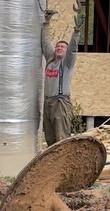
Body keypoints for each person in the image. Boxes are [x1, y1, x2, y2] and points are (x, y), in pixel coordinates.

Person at [41, 9, 84, 146]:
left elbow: (72, 48)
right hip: (47, 103)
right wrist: (46, 22)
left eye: (62, 47)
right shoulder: (50, 59)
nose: (59, 48)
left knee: (61, 139)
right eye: (58, 46)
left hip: (61, 103)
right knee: (50, 139)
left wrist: (76, 31)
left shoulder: (66, 63)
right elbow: (45, 42)